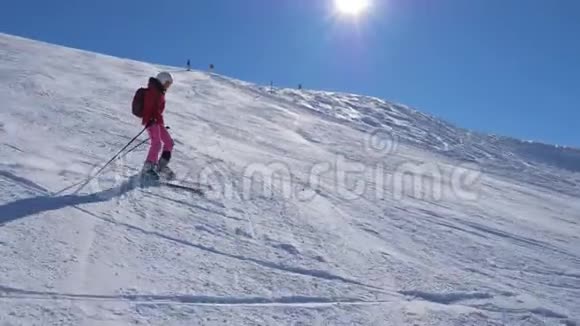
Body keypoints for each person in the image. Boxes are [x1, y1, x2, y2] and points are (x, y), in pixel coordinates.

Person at [141, 71, 175, 179]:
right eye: (167, 83)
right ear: (162, 80)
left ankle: (161, 166)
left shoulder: (160, 92)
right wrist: (150, 119)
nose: (168, 86)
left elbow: (158, 110)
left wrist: (161, 124)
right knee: (156, 143)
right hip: (151, 121)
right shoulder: (153, 91)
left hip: (157, 122)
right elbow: (149, 107)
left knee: (169, 142)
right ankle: (148, 167)